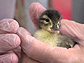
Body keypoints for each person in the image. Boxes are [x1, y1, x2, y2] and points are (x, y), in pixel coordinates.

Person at [0, 2, 84, 63]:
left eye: (57, 24)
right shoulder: (37, 35)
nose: (55, 27)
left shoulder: (63, 39)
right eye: (48, 21)